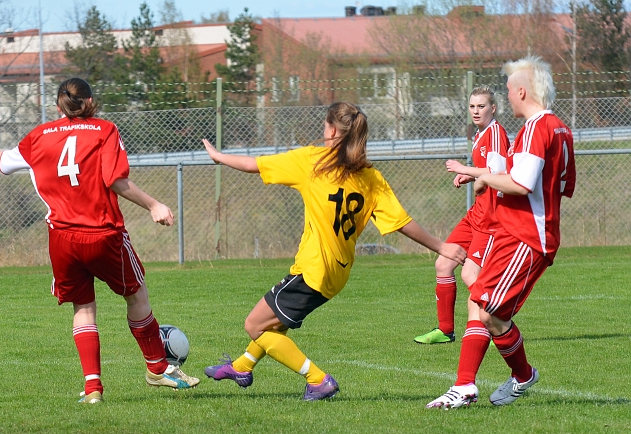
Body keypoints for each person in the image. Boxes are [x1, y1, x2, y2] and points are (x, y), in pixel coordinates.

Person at [201, 102, 466, 400]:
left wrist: (217, 156)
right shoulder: (371, 178)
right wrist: (441, 246)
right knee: (276, 321)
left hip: (313, 269)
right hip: (338, 273)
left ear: (329, 129)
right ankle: (242, 366)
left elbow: (254, 165)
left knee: (255, 325)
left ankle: (318, 380)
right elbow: (401, 223)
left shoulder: (313, 161)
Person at [0, 77, 199, 404]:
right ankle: (158, 368)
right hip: (101, 233)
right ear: (89, 102)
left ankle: (93, 389)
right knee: (137, 294)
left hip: (61, 238)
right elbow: (115, 180)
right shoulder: (104, 130)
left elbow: (1, 161)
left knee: (83, 307)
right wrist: (154, 205)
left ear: (58, 105)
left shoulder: (38, 137)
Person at [427, 56, 575, 409]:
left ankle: (464, 386)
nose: (508, 97)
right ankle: (522, 376)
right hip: (521, 234)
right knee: (490, 312)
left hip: (526, 238)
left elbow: (521, 184)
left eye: (509, 90)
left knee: (482, 304)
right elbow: (564, 184)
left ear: (522, 91)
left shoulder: (537, 129)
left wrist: (478, 174)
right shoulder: (559, 128)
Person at [414, 87, 511, 344]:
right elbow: (487, 170)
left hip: (491, 217)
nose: (476, 111)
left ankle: (496, 323)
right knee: (443, 263)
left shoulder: (496, 133)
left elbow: (499, 172)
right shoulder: (481, 134)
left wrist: (462, 167)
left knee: (470, 275)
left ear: (493, 108)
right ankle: (445, 331)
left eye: (481, 106)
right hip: (476, 212)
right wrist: (470, 175)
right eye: (472, 107)